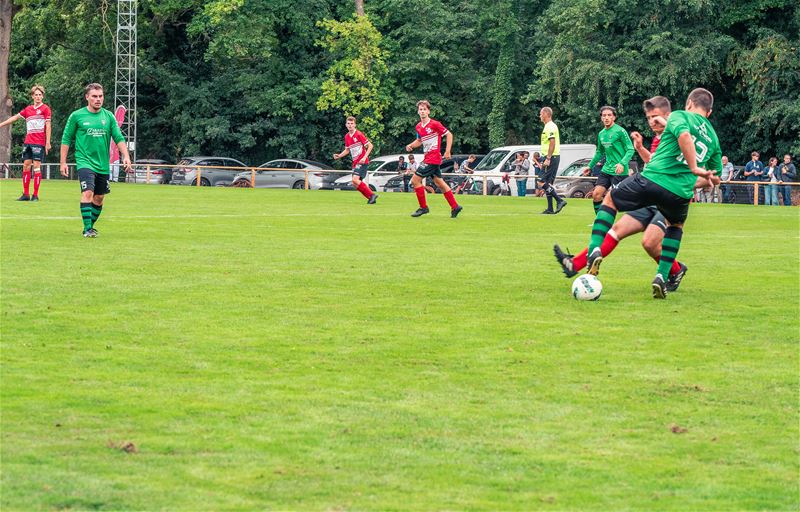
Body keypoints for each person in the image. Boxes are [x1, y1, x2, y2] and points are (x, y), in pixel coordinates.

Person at [580, 87, 722, 299]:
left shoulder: (680, 116)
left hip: (652, 179)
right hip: (680, 193)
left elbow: (684, 135)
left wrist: (692, 166)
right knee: (675, 226)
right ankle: (662, 277)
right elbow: (714, 180)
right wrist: (693, 178)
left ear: (689, 104)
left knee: (609, 198)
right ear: (709, 112)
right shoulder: (713, 139)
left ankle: (594, 250)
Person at [555, 95, 691, 292]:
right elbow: (652, 163)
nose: (652, 122)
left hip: (668, 200)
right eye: (649, 118)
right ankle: (574, 264)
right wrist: (640, 148)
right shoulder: (658, 139)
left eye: (655, 117)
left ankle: (676, 270)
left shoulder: (681, 137)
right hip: (650, 197)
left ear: (668, 116)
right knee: (616, 230)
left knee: (649, 243)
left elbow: (693, 170)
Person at [60, 83, 132, 237]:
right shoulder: (76, 116)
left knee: (99, 198)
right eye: (94, 96)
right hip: (84, 161)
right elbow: (66, 139)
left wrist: (126, 156)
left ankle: (89, 226)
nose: (98, 99)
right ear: (87, 97)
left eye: (100, 96)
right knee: (88, 192)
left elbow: (118, 137)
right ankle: (87, 229)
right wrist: (63, 162)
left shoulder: (109, 116)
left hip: (102, 164)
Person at [405, 100, 462, 218]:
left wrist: (447, 151)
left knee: (415, 181)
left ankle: (423, 208)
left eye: (424, 109)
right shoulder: (419, 127)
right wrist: (411, 145)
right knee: (439, 183)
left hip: (433, 157)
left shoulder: (435, 124)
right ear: (418, 111)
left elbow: (449, 134)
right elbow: (419, 141)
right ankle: (455, 206)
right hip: (428, 157)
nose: (422, 111)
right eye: (420, 109)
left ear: (428, 111)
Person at [0, 85, 52, 201]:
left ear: (42, 96)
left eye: (40, 95)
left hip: (39, 142)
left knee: (37, 168)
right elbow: (15, 118)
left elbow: (48, 126)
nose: (38, 97)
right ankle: (26, 194)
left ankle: (35, 195)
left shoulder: (45, 109)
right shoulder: (28, 109)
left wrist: (48, 142)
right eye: (36, 95)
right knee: (26, 166)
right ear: (32, 96)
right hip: (28, 142)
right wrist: (1, 124)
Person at [582, 106, 634, 214]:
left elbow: (630, 149)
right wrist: (590, 166)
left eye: (609, 115)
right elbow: (600, 152)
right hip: (606, 169)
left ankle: (640, 212)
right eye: (604, 115)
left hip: (619, 171)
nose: (606, 118)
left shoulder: (620, 131)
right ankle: (599, 220)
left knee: (616, 200)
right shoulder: (601, 134)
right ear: (601, 118)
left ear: (614, 117)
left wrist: (622, 164)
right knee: (596, 195)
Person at [333, 116, 376, 204]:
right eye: (348, 123)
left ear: (355, 125)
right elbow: (347, 149)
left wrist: (364, 157)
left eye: (352, 123)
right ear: (346, 125)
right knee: (355, 183)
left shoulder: (359, 134)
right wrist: (339, 156)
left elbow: (370, 146)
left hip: (362, 161)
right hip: (355, 162)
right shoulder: (347, 136)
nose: (350, 125)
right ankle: (371, 198)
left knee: (355, 180)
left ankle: (372, 195)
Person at [538, 107, 567, 213]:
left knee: (541, 182)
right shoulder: (549, 126)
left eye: (541, 113)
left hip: (551, 157)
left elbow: (552, 142)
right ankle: (550, 209)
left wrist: (548, 158)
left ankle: (559, 200)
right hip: (553, 156)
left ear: (546, 114)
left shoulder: (550, 126)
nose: (540, 116)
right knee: (548, 183)